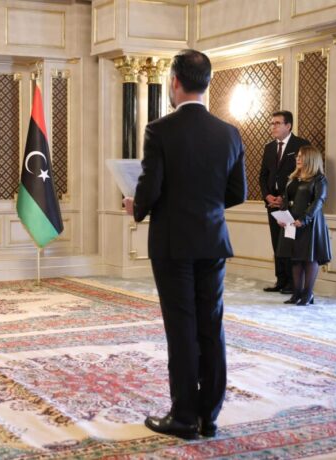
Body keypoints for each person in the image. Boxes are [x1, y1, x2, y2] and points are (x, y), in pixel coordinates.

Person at [123, 49, 246, 440]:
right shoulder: (229, 133)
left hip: (173, 244)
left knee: (181, 328)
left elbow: (150, 189)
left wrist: (136, 206)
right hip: (212, 240)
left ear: (174, 82)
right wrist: (204, 205)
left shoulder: (160, 130)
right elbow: (238, 192)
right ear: (207, 82)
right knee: (211, 326)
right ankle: (209, 416)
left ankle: (183, 417)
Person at [259, 111, 310, 294]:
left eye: (277, 123)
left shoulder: (301, 145)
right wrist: (267, 196)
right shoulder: (269, 147)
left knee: (289, 243)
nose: (273, 126)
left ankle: (292, 283)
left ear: (288, 126)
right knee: (277, 243)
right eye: (272, 123)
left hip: (291, 205)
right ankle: (280, 280)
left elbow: (304, 175)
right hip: (272, 204)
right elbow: (263, 176)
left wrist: (284, 197)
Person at [276, 145, 331, 306]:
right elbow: (286, 200)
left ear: (311, 159)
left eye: (301, 156)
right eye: (297, 156)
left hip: (310, 223)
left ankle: (308, 294)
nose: (298, 158)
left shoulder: (319, 179)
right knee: (295, 258)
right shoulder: (293, 178)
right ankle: (297, 294)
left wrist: (304, 219)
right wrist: (282, 216)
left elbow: (318, 202)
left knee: (309, 258)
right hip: (291, 222)